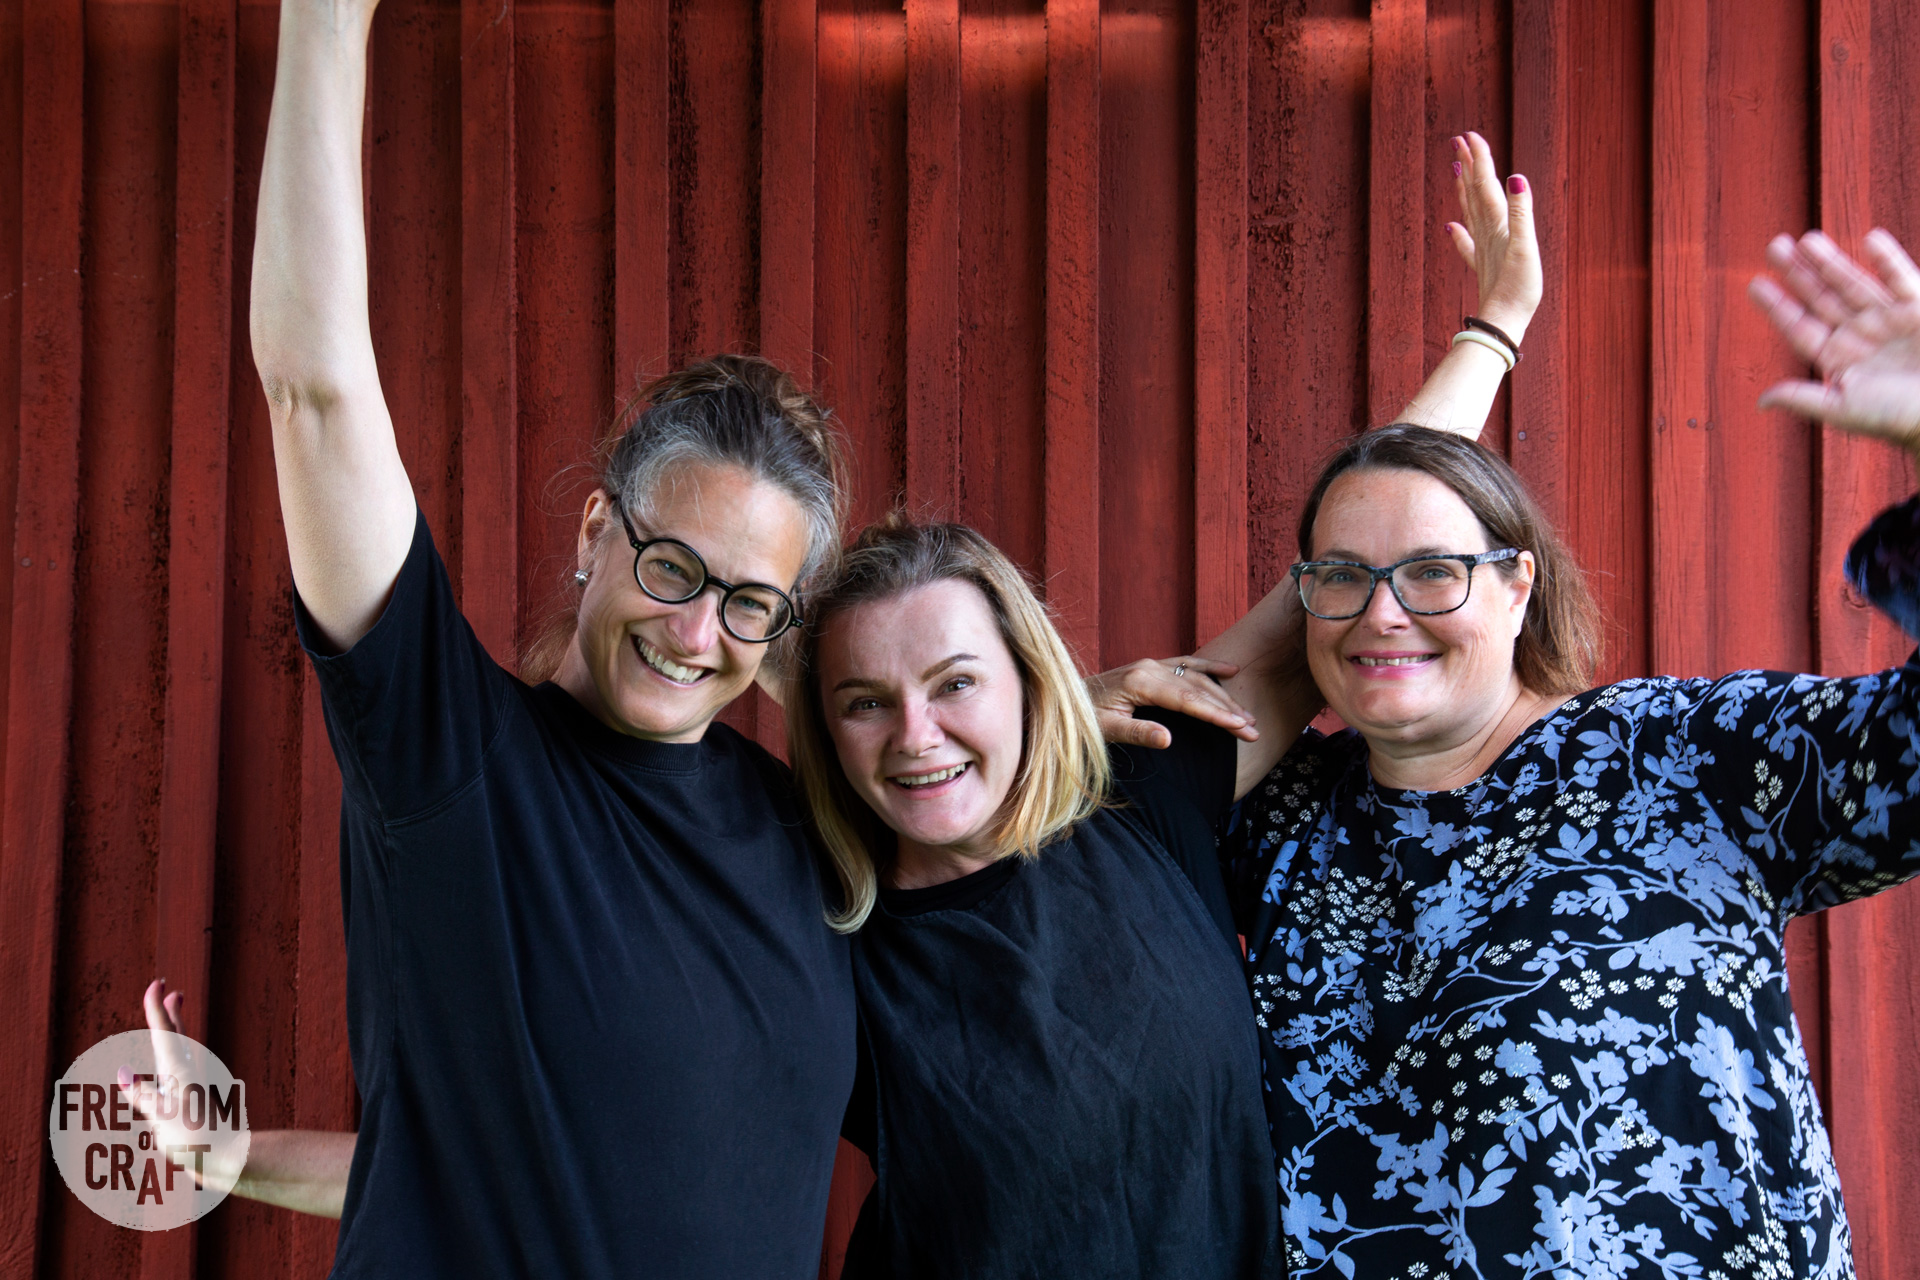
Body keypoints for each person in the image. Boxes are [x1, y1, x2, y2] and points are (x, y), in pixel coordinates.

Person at [207, 0, 861, 1272]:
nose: (691, 631)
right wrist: (327, 26)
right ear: (593, 529)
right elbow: (316, 390)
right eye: (671, 566)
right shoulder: (457, 761)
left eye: (745, 602)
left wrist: (236, 1160)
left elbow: (534, 1164)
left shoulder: (806, 830)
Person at [1192, 226, 1920, 1280]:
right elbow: (1147, 747)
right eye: (1342, 578)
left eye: (1434, 572)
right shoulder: (1276, 822)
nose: (1381, 614)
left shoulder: (1679, 760)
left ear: (1519, 582)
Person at [785, 518, 1281, 1279]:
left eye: (957, 683)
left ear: (1028, 677)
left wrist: (1485, 386)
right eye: (865, 703)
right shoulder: (822, 936)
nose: (916, 736)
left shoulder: (1139, 789)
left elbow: (1348, 577)